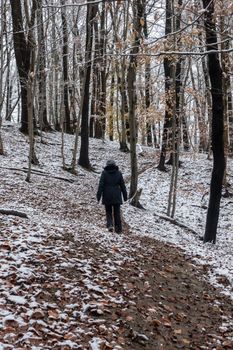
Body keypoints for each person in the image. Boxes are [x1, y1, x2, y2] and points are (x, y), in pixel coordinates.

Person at [97, 160, 127, 233]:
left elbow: (101, 185)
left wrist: (98, 196)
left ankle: (110, 225)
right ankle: (118, 229)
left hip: (107, 195)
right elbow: (122, 185)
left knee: (108, 211)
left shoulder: (104, 173)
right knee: (117, 212)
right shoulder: (119, 173)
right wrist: (125, 196)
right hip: (116, 195)